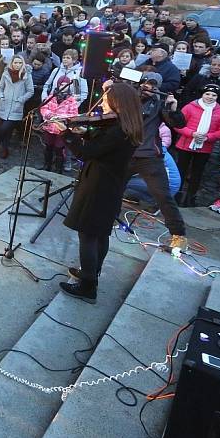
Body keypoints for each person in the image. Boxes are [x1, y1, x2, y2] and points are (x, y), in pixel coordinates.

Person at [58, 82, 144, 303]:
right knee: (99, 233)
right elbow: (104, 147)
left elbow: (88, 153)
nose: (103, 103)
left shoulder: (118, 131)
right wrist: (86, 132)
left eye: (107, 100)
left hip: (99, 186)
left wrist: (67, 135)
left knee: (87, 233)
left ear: (118, 103)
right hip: (109, 185)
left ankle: (88, 287)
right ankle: (91, 272)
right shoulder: (127, 126)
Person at [121, 72, 188, 250]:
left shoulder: (160, 104)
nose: (148, 87)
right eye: (145, 83)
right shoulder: (128, 100)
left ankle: (178, 235)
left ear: (158, 88)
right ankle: (104, 217)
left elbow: (178, 124)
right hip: (126, 153)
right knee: (112, 187)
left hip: (149, 156)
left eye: (153, 85)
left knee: (162, 195)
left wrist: (173, 108)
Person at [173, 84, 220, 206]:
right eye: (207, 94)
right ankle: (176, 195)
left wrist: (208, 137)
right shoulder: (190, 107)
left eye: (214, 95)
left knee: (197, 174)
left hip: (205, 148)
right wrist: (191, 133)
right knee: (180, 171)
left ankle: (190, 199)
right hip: (185, 145)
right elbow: (178, 124)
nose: (210, 97)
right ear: (202, 94)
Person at [0, 56, 34, 159]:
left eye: (20, 63)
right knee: (6, 130)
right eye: (15, 62)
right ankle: (4, 148)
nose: (17, 65)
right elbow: (0, 87)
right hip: (4, 104)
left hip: (16, 106)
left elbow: (30, 91)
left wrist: (21, 99)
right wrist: (1, 97)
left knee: (4, 128)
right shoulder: (6, 73)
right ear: (12, 63)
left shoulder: (26, 75)